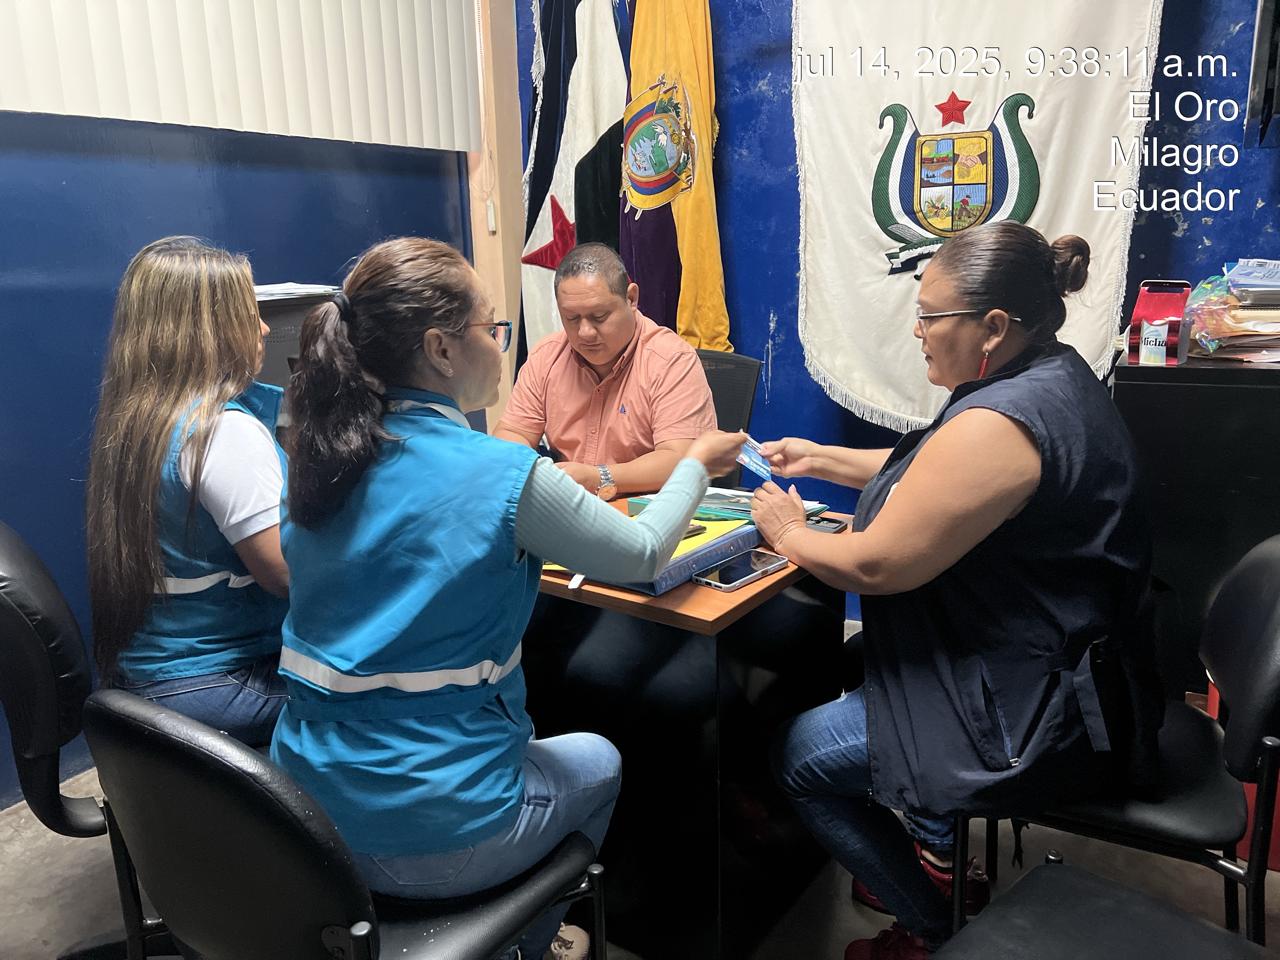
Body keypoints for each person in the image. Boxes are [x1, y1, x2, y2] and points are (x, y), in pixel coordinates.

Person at [272, 237, 745, 960]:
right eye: (490, 327)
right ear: (440, 348)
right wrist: (696, 464)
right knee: (598, 756)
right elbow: (645, 553)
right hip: (432, 830)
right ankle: (529, 941)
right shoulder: (498, 474)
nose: (501, 344)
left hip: (305, 816)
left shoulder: (316, 457)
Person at [752, 222, 1154, 959]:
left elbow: (874, 565)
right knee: (852, 664)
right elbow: (935, 472)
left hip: (1036, 710)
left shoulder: (1004, 421)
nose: (918, 331)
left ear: (992, 327)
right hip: (1053, 661)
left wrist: (787, 532)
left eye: (930, 316)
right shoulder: (1047, 373)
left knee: (798, 758)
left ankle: (933, 926)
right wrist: (821, 458)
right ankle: (938, 847)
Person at [86, 236, 289, 746]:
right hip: (216, 680)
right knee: (380, 688)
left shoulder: (140, 420)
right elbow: (287, 575)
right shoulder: (221, 431)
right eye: (250, 313)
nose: (264, 328)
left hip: (149, 680)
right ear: (211, 328)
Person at [494, 241, 717, 496]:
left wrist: (599, 477)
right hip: (569, 505)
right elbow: (511, 433)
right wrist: (533, 471)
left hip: (648, 508)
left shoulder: (670, 360)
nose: (585, 332)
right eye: (571, 318)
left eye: (599, 317)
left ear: (631, 299)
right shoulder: (547, 356)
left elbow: (682, 461)